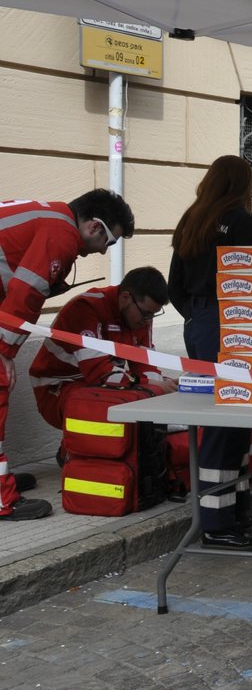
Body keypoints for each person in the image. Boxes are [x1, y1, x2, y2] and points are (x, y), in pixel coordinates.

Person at [0, 189, 134, 521]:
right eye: (110, 242)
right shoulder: (60, 234)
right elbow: (24, 295)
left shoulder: (50, 216)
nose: (104, 250)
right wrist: (4, 353)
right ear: (93, 226)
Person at [169, 156, 252, 551]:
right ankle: (217, 523)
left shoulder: (191, 219)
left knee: (229, 419)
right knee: (228, 421)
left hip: (199, 322)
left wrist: (199, 319)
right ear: (243, 185)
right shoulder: (240, 221)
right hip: (233, 324)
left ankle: (232, 512)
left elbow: (174, 284)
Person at [30, 265, 177, 438]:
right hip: (58, 388)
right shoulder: (86, 308)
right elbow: (99, 374)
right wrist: (152, 385)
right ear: (125, 298)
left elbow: (146, 366)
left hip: (98, 382)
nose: (148, 321)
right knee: (117, 401)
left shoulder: (138, 316)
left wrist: (165, 387)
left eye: (153, 315)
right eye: (146, 314)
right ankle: (75, 453)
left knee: (164, 392)